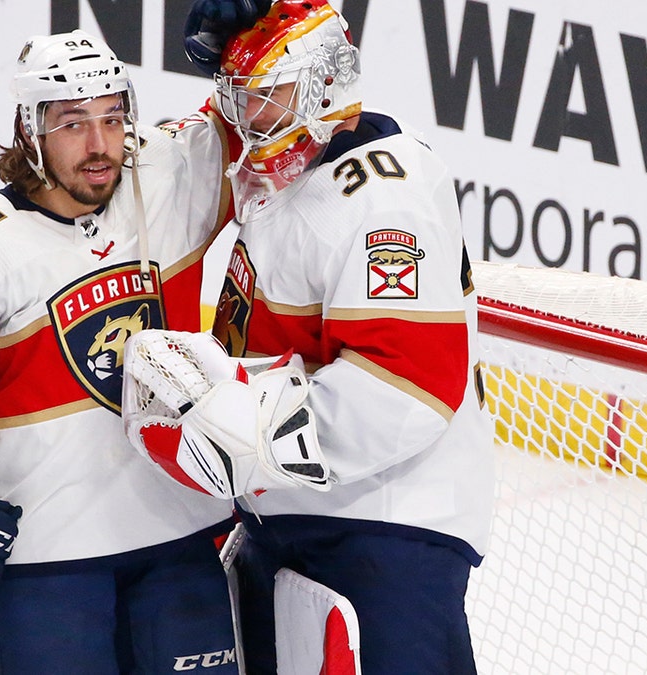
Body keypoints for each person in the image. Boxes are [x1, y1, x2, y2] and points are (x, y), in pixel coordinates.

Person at [0, 29, 248, 673]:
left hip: (182, 536)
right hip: (45, 562)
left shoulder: (168, 175)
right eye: (73, 124)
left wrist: (253, 28)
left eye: (114, 119)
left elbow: (264, 117)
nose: (99, 146)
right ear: (29, 131)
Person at [173, 1, 495, 672]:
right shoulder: (287, 168)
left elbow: (403, 387)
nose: (251, 118)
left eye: (268, 96)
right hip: (296, 514)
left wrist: (242, 432)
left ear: (325, 84)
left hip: (385, 529)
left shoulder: (385, 202)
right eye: (243, 98)